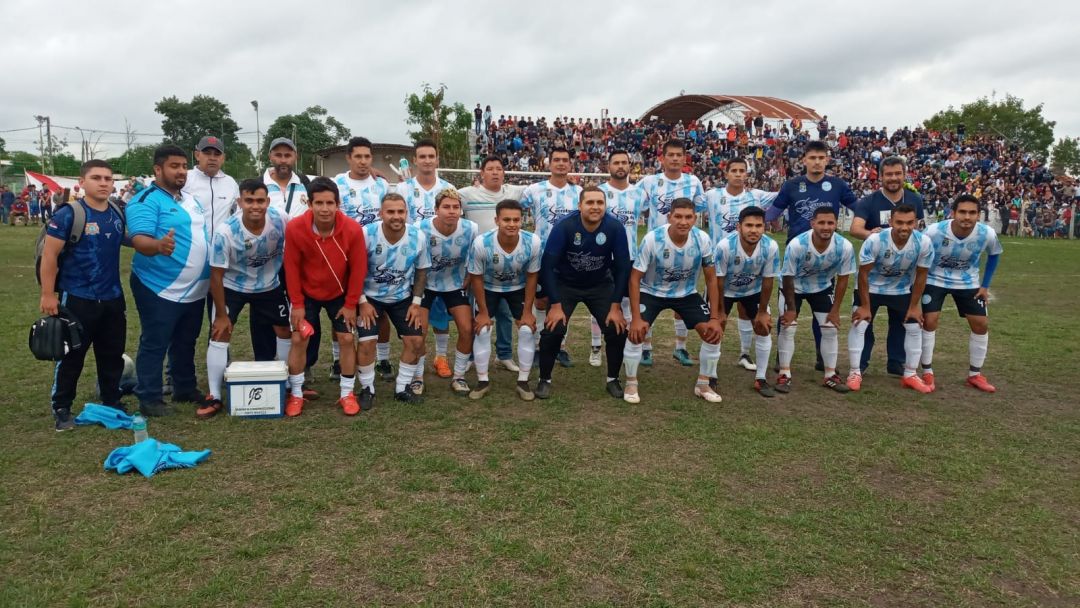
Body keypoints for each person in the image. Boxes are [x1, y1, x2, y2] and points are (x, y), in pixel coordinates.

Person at [39, 160, 126, 431]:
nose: (103, 183)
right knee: (71, 355)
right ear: (82, 182)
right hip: (77, 298)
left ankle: (111, 400)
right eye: (97, 178)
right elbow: (50, 256)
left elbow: (129, 239)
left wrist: (157, 245)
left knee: (112, 353)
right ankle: (62, 407)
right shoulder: (69, 214)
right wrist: (48, 294)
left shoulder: (116, 212)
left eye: (108, 179)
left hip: (112, 297)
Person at [127, 145, 211, 416]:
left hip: (194, 289)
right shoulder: (146, 200)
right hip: (159, 287)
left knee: (186, 340)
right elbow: (138, 240)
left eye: (184, 166)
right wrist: (158, 246)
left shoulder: (188, 199)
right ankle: (149, 397)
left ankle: (184, 387)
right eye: (174, 166)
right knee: (155, 341)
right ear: (158, 169)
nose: (181, 171)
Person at [202, 179, 291, 419]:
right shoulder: (225, 232)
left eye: (260, 200)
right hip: (233, 285)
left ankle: (288, 383)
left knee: (284, 329)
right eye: (249, 201)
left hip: (269, 285)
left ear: (268, 201)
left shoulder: (280, 220)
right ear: (240, 202)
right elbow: (216, 275)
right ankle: (214, 395)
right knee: (220, 332)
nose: (255, 206)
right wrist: (221, 315)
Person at [767, 139, 857, 371]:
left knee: (823, 315)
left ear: (827, 160)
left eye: (821, 158)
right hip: (797, 256)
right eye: (812, 158)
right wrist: (751, 221)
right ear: (803, 160)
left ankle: (822, 357)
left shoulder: (837, 185)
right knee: (787, 313)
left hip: (826, 258)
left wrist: (879, 224)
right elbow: (774, 211)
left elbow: (859, 207)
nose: (817, 162)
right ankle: (781, 360)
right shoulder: (792, 185)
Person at [624, 198, 723, 404]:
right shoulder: (653, 239)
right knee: (636, 332)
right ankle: (631, 382)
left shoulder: (702, 239)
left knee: (712, 332)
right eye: (678, 216)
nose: (683, 221)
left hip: (686, 294)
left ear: (695, 219)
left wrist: (714, 317)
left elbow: (712, 278)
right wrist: (635, 318)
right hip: (652, 292)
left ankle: (703, 384)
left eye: (688, 217)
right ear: (669, 217)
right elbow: (634, 279)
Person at [282, 177, 367, 417]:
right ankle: (296, 394)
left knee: (347, 339)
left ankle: (347, 394)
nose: (325, 208)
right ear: (309, 204)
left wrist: (351, 304)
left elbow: (359, 269)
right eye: (319, 203)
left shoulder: (352, 229)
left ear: (338, 204)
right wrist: (297, 304)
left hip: (339, 293)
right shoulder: (295, 228)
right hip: (307, 293)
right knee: (299, 338)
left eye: (330, 203)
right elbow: (291, 268)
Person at [536, 186, 631, 399]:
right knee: (554, 329)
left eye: (600, 203)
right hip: (566, 283)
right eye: (590, 202)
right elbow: (548, 265)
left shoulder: (615, 228)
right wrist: (556, 305)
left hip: (599, 284)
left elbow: (624, 266)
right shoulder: (564, 227)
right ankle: (544, 379)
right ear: (580, 206)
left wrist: (615, 306)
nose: (595, 207)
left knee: (617, 328)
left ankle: (613, 379)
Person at [849, 156, 925, 376]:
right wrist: (873, 235)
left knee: (900, 322)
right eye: (888, 174)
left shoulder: (914, 199)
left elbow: (917, 229)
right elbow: (855, 229)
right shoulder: (869, 201)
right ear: (880, 177)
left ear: (904, 175)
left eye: (897, 174)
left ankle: (896, 362)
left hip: (902, 275)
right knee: (864, 321)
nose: (893, 178)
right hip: (873, 273)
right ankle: (860, 365)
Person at [846, 203, 933, 393]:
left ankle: (910, 374)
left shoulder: (924, 242)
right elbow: (863, 275)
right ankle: (854, 372)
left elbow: (921, 275)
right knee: (859, 323)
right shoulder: (875, 241)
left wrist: (915, 305)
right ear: (890, 221)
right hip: (871, 288)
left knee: (914, 325)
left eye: (910, 223)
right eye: (899, 222)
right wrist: (865, 306)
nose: (904, 227)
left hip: (901, 289)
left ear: (917, 222)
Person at [919, 194, 1003, 393]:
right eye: (963, 212)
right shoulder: (934, 231)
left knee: (981, 324)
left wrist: (985, 286)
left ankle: (975, 375)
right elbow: (919, 252)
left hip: (968, 282)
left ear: (978, 215)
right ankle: (927, 371)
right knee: (930, 320)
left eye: (972, 213)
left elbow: (994, 255)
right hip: (934, 279)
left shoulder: (987, 234)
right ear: (953, 213)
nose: (967, 217)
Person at [703, 157, 779, 373]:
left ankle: (744, 353)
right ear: (725, 173)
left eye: (742, 170)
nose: (738, 174)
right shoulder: (712, 195)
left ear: (747, 174)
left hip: (750, 265)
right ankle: (710, 369)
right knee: (718, 319)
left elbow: (783, 197)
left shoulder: (756, 196)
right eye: (734, 170)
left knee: (748, 313)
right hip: (719, 265)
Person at [635, 139, 707, 367]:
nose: (675, 158)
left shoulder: (693, 181)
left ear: (684, 158)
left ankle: (680, 347)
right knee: (649, 295)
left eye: (679, 155)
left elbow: (700, 207)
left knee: (683, 292)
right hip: (655, 248)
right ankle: (646, 349)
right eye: (671, 155)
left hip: (686, 249)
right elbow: (636, 204)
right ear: (662, 158)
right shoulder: (649, 182)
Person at [357, 193, 431, 405]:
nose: (396, 216)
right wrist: (362, 302)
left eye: (400, 211)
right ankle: (367, 389)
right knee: (366, 342)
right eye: (390, 212)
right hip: (370, 297)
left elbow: (422, 271)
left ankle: (402, 387)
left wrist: (416, 304)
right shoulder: (367, 234)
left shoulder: (418, 236)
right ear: (381, 213)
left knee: (416, 341)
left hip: (402, 297)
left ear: (406, 213)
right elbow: (354, 270)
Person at [466, 199, 541, 401]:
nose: (512, 224)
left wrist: (527, 312)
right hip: (489, 288)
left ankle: (523, 381)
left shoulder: (532, 242)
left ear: (522, 220)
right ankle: (482, 381)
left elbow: (533, 275)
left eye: (516, 219)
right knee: (482, 330)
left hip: (518, 288)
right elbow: (476, 277)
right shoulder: (482, 243)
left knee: (526, 329)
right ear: (496, 220)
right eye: (506, 219)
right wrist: (482, 312)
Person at [335, 136, 395, 382]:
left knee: (380, 312)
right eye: (357, 156)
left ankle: (383, 359)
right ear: (348, 158)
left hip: (376, 256)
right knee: (341, 310)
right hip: (343, 255)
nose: (362, 161)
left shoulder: (382, 185)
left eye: (366, 157)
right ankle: (338, 359)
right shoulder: (336, 183)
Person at [459, 156, 527, 372]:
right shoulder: (467, 194)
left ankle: (504, 354)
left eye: (499, 169)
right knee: (477, 312)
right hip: (477, 266)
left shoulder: (514, 192)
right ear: (482, 173)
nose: (495, 172)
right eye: (490, 169)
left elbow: (541, 189)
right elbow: (442, 197)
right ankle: (470, 355)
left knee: (506, 313)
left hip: (506, 267)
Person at [777, 207, 855, 394]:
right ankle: (784, 374)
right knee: (789, 327)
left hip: (821, 287)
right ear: (813, 224)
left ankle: (830, 375)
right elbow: (787, 277)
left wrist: (835, 310)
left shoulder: (844, 246)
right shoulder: (797, 244)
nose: (826, 227)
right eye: (821, 222)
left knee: (830, 329)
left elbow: (844, 279)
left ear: (836, 224)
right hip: (792, 287)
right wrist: (791, 308)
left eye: (830, 223)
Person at [397, 139, 454, 383]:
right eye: (423, 156)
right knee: (417, 316)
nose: (427, 160)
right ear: (415, 160)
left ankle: (441, 357)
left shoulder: (448, 187)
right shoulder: (403, 189)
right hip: (413, 262)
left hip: (443, 265)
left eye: (431, 156)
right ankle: (417, 360)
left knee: (442, 316)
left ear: (437, 160)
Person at [521, 147, 582, 367]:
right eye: (556, 160)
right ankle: (539, 345)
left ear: (570, 164)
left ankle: (561, 346)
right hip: (541, 254)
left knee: (564, 301)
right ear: (549, 163)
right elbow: (516, 209)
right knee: (541, 300)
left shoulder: (578, 192)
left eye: (565, 160)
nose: (561, 164)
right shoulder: (534, 190)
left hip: (570, 256)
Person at [712, 206, 780, 397]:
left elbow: (768, 281)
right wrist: (719, 312)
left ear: (764, 228)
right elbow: (718, 280)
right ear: (738, 227)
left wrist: (763, 311)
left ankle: (761, 378)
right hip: (724, 291)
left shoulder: (771, 246)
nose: (754, 230)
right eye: (749, 225)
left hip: (753, 290)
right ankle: (710, 375)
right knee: (715, 329)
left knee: (763, 328)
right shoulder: (724, 246)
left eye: (758, 226)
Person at [417, 188, 478, 396]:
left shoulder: (470, 228)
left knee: (467, 328)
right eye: (446, 207)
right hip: (427, 284)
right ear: (436, 209)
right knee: (419, 332)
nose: (451, 211)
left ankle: (459, 376)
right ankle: (417, 377)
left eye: (456, 207)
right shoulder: (421, 228)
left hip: (454, 284)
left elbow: (473, 256)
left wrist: (469, 275)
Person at [594, 150, 646, 368]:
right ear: (609, 167)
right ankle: (596, 346)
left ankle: (625, 343)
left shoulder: (640, 194)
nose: (620, 166)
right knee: (598, 302)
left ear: (630, 165)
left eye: (624, 162)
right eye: (616, 163)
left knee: (627, 301)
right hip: (602, 256)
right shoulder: (600, 193)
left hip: (630, 257)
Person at [183, 135, 240, 245]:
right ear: (197, 155)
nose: (212, 158)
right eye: (207, 153)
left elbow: (237, 214)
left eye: (217, 154)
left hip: (221, 249)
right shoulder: (185, 179)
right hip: (191, 249)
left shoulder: (231, 183)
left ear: (223, 158)